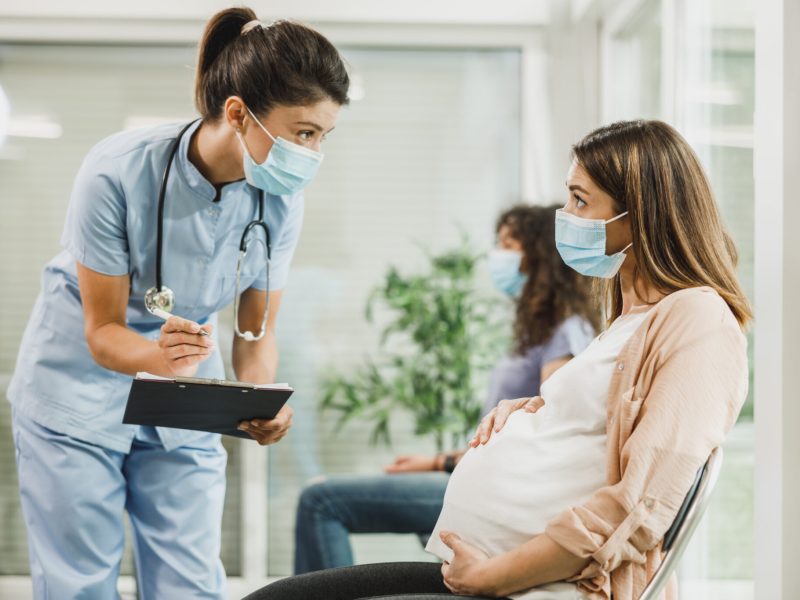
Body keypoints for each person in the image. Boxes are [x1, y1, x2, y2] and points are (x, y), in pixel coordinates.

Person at [245, 119, 751, 600]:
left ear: (639, 213)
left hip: (533, 586)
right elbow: (602, 423)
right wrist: (534, 409)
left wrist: (490, 577)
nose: (565, 216)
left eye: (580, 200)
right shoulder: (629, 319)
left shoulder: (699, 319)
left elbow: (640, 506)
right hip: (492, 571)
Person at [7, 7, 349, 599]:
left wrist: (257, 401)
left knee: (190, 585)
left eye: (322, 136)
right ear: (238, 113)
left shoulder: (279, 202)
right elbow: (103, 330)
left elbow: (255, 333)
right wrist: (162, 360)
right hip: (77, 392)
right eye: (302, 133)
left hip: (187, 394)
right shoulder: (117, 171)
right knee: (79, 585)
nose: (314, 152)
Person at [293, 204, 600, 574]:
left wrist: (441, 463)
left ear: (539, 254)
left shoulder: (565, 332)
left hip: (500, 491)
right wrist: (435, 462)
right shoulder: (540, 331)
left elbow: (545, 429)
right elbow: (501, 433)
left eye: (509, 243)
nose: (498, 255)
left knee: (321, 502)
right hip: (481, 478)